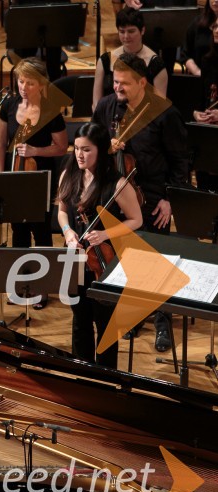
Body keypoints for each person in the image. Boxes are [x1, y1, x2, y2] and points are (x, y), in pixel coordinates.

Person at [92, 53, 189, 351]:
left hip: (152, 197)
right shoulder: (107, 107)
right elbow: (92, 147)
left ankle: (162, 321)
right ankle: (132, 316)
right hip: (116, 198)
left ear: (143, 82)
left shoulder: (164, 113)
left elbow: (181, 160)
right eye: (115, 81)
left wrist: (170, 199)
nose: (117, 88)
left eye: (124, 83)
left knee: (156, 261)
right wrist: (107, 148)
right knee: (125, 260)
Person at [56, 123, 143, 369]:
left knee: (105, 326)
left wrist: (105, 233)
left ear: (102, 150)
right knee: (79, 320)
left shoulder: (117, 184)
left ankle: (107, 379)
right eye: (77, 149)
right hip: (74, 257)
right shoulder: (69, 174)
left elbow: (136, 219)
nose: (80, 155)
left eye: (87, 150)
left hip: (104, 263)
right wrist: (68, 231)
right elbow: (62, 212)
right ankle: (82, 374)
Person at [0, 57, 68, 255]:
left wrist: (36, 151)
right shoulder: (9, 105)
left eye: (30, 83)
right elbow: (1, 144)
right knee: (18, 229)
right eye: (21, 81)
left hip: (41, 177)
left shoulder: (51, 112)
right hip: (15, 174)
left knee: (41, 230)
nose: (23, 87)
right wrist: (0, 175)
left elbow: (62, 147)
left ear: (41, 84)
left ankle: (45, 280)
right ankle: (20, 279)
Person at [92, 8, 168, 111]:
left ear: (142, 30)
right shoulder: (105, 61)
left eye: (131, 31)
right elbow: (97, 104)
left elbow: (158, 107)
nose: (126, 36)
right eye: (122, 31)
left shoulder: (156, 64)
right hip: (108, 121)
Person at [192, 19, 218, 193]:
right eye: (215, 26)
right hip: (207, 127)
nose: (217, 30)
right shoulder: (207, 60)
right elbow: (199, 98)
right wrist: (196, 113)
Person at [183, 0, 218, 79]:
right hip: (201, 79)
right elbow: (185, 55)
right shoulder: (197, 23)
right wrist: (197, 72)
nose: (216, 0)